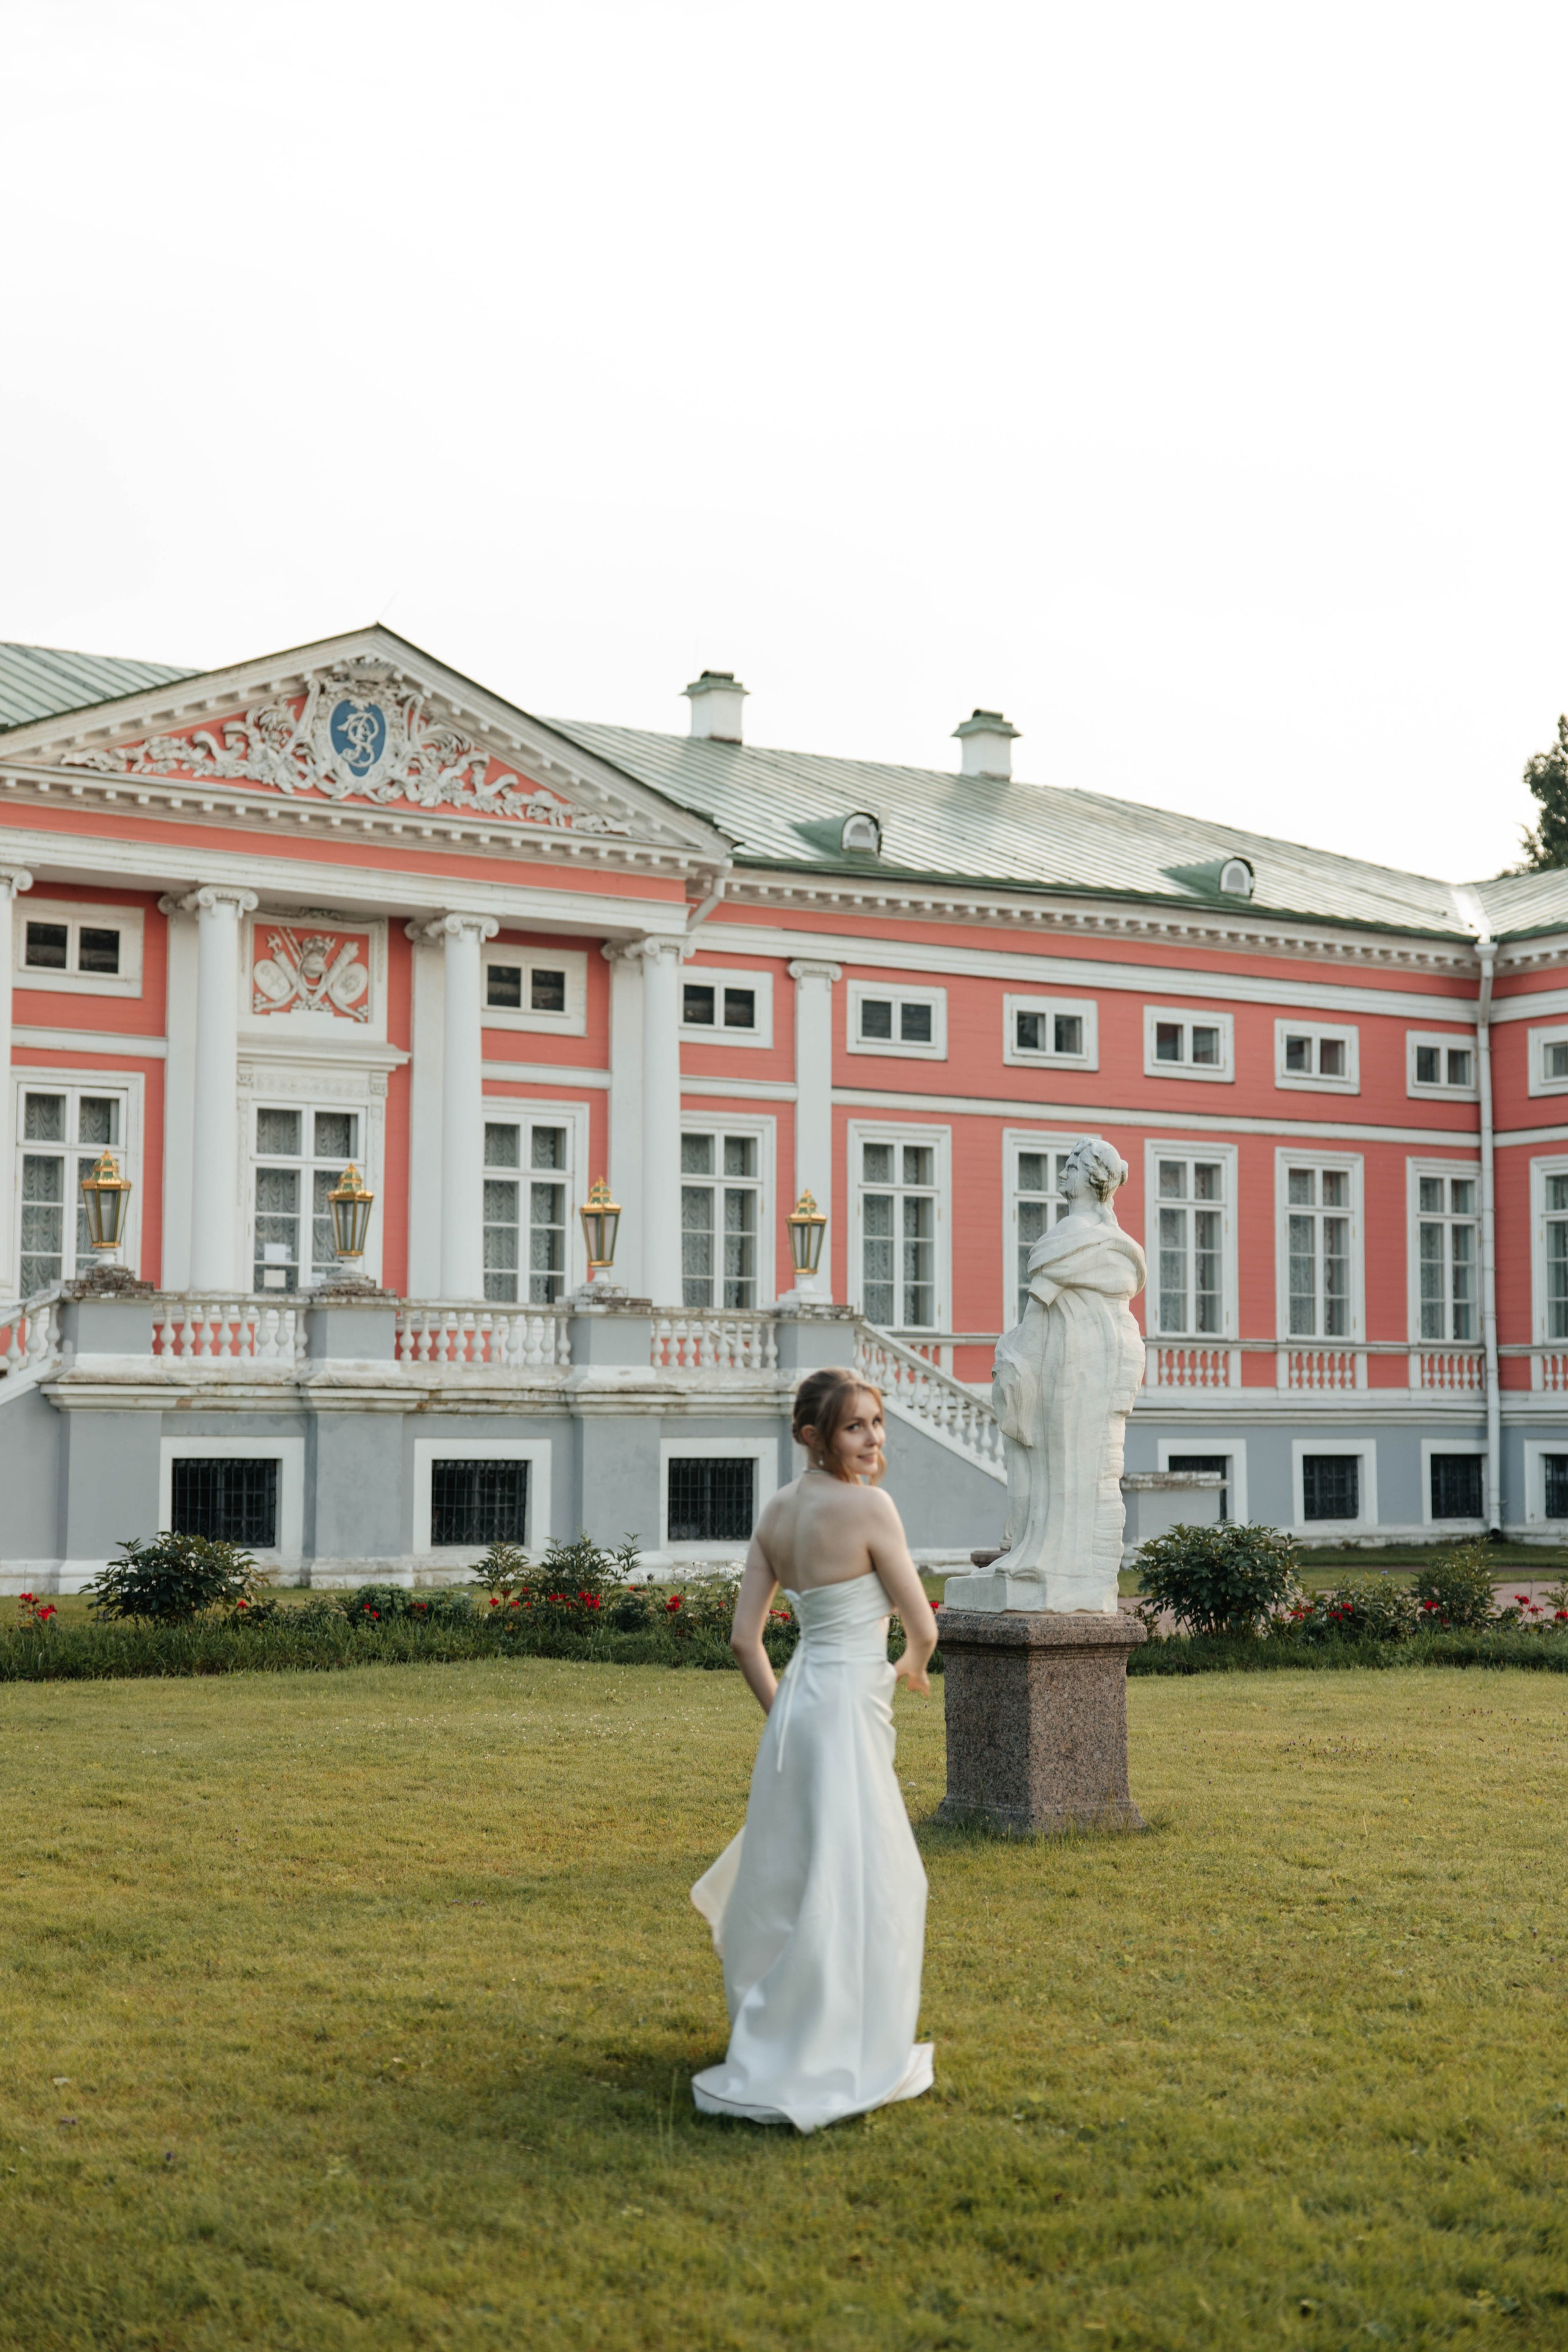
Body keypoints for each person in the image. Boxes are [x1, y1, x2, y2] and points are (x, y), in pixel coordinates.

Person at [689, 1367, 940, 2133]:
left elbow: (744, 1642)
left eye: (875, 1422)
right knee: (866, 1875)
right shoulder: (869, 1507)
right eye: (854, 1427)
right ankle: (840, 2039)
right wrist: (911, 1668)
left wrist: (785, 1714)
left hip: (799, 1708)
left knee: (792, 1868)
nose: (873, 1438)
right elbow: (921, 1621)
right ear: (812, 1436)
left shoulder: (773, 1512)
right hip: (844, 1711)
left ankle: (778, 2024)